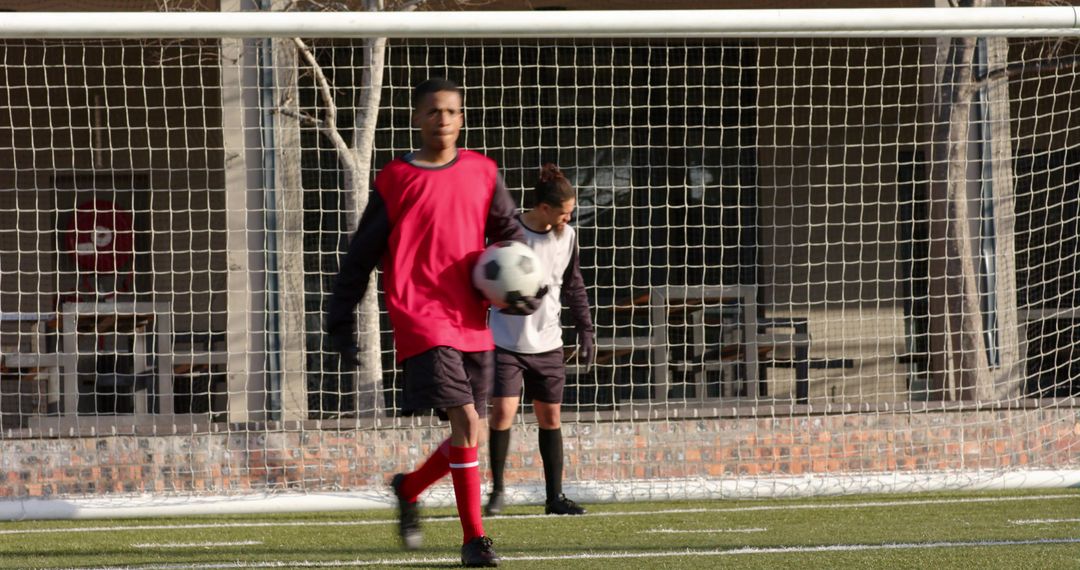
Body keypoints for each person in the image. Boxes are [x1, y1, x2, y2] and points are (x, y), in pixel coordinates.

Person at [325, 77, 540, 568]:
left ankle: (409, 487)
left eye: (451, 111)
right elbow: (363, 251)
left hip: (471, 315)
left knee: (475, 434)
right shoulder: (396, 177)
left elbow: (508, 233)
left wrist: (529, 283)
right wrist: (340, 315)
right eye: (433, 111)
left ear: (461, 119)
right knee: (466, 421)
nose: (443, 119)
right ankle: (475, 541)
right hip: (419, 313)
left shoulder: (484, 172)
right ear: (417, 119)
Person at [485, 163, 593, 517]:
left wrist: (586, 328)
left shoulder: (568, 237)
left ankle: (554, 497)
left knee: (550, 417)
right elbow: (484, 280)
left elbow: (574, 284)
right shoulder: (508, 231)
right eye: (564, 212)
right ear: (544, 209)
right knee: (503, 413)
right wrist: (504, 299)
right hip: (506, 340)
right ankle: (498, 492)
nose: (569, 217)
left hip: (548, 341)